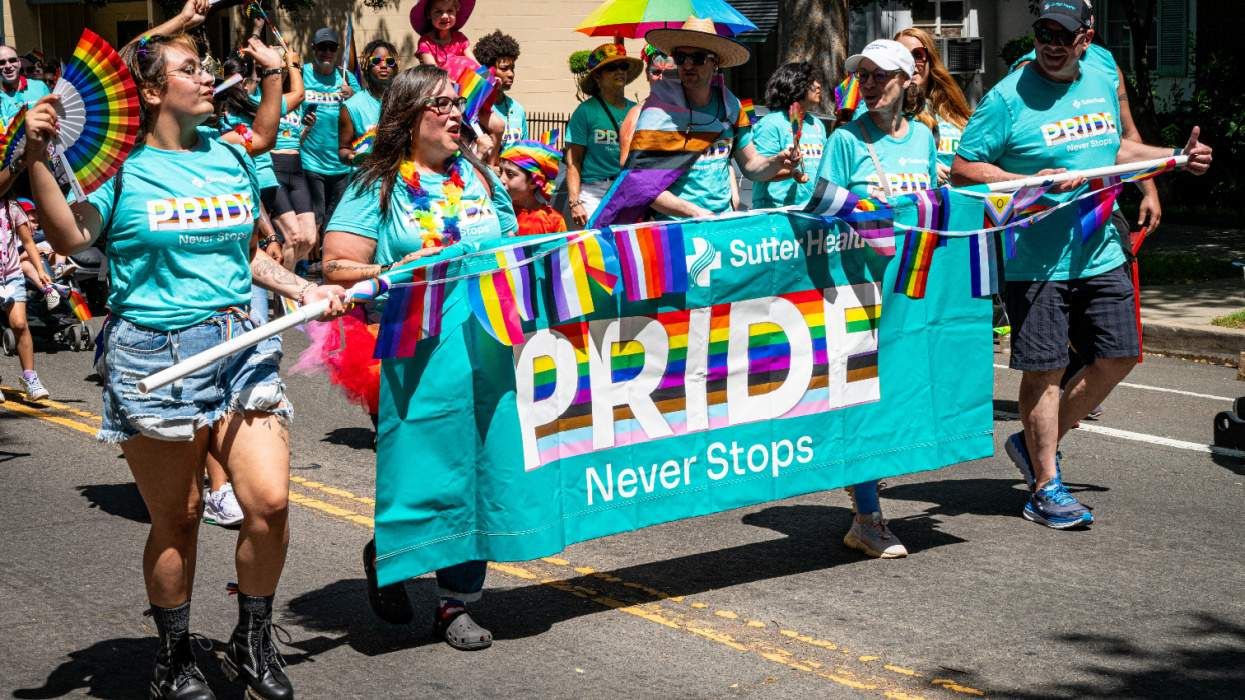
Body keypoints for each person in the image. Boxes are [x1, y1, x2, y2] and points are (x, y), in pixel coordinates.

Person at [24, 10, 348, 697]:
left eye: (205, 66)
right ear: (150, 92)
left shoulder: (229, 152)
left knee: (268, 503)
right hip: (155, 355)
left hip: (237, 341)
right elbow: (69, 235)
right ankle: (172, 658)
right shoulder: (121, 171)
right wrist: (33, 159)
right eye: (190, 69)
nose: (207, 76)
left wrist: (304, 288)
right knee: (180, 519)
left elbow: (250, 256)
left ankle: (252, 638)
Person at [952, 0, 1212, 529]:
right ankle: (1045, 485)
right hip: (1035, 257)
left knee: (1120, 355)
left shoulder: (1102, 69)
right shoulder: (1009, 97)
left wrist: (1171, 162)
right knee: (1044, 368)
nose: (1051, 43)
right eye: (1043, 32)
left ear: (1085, 38)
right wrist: (1028, 182)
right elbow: (961, 166)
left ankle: (1031, 445)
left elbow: (1116, 144)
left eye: (1063, 35)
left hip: (1099, 245)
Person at [322, 64, 517, 651]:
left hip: (485, 344)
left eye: (460, 103)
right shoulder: (375, 185)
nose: (458, 113)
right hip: (413, 353)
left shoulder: (479, 179)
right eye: (442, 105)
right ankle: (390, 550)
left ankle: (457, 604)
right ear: (408, 118)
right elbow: (334, 267)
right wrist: (398, 272)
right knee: (425, 473)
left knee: (480, 470)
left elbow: (515, 248)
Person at [816, 39, 937, 558]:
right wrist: (867, 214)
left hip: (909, 290)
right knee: (862, 400)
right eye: (862, 76)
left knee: (896, 398)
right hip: (857, 292)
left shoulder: (924, 140)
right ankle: (867, 517)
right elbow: (818, 209)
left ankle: (864, 502)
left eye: (880, 75)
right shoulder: (845, 139)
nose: (868, 85)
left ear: (908, 80)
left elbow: (932, 211)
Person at [602, 17, 797, 224]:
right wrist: (693, 212)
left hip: (720, 224)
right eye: (680, 56)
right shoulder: (657, 113)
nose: (687, 64)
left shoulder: (732, 106)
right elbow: (640, 184)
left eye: (698, 57)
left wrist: (775, 161)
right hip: (674, 228)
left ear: (716, 62)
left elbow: (751, 166)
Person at [564, 43, 640, 227]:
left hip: (627, 189)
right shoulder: (585, 112)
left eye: (623, 66)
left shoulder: (636, 110)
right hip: (593, 192)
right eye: (611, 67)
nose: (620, 71)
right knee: (596, 247)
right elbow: (574, 162)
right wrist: (575, 202)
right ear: (598, 76)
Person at [893, 27, 971, 185]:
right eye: (901, 56)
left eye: (917, 55)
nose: (910, 62)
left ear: (931, 60)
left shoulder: (952, 106)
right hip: (919, 199)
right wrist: (924, 166)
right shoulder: (883, 109)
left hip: (960, 199)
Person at [302, 27, 361, 236]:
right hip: (310, 161)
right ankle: (308, 262)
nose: (327, 52)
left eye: (332, 48)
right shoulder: (302, 73)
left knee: (334, 218)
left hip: (340, 163)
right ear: (313, 49)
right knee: (314, 216)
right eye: (322, 47)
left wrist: (353, 94)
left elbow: (362, 113)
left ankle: (325, 261)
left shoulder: (347, 78)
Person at [750, 61, 826, 208]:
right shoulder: (771, 123)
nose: (818, 85)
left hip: (810, 210)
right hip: (775, 213)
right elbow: (758, 172)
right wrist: (791, 173)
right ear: (795, 84)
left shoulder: (817, 125)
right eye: (811, 81)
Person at [0, 195, 51, 402]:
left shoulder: (12, 207)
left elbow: (28, 241)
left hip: (11, 275)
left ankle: (30, 379)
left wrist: (40, 270)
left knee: (20, 324)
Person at [338, 39, 397, 167]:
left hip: (399, 180)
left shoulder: (404, 102)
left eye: (390, 61)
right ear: (366, 67)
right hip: (366, 180)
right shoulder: (351, 107)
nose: (383, 65)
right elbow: (343, 149)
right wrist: (352, 157)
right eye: (376, 61)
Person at [472, 30, 527, 149]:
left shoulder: (518, 109)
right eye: (504, 68)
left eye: (512, 68)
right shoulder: (474, 108)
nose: (511, 74)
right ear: (487, 70)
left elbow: (523, 150)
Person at [500, 139, 567, 235]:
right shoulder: (495, 212)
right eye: (500, 171)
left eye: (510, 174)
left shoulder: (553, 221)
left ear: (534, 182)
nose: (501, 179)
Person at [413, 0, 475, 69]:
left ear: (456, 12)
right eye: (438, 11)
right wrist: (449, 80)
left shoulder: (460, 39)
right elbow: (433, 72)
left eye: (450, 10)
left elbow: (474, 64)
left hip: (465, 78)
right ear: (429, 14)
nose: (445, 16)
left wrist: (488, 78)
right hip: (438, 78)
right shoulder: (425, 42)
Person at [0, 45, 51, 122]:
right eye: (2, 62)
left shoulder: (40, 87)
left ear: (19, 63)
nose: (8, 66)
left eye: (12, 60)